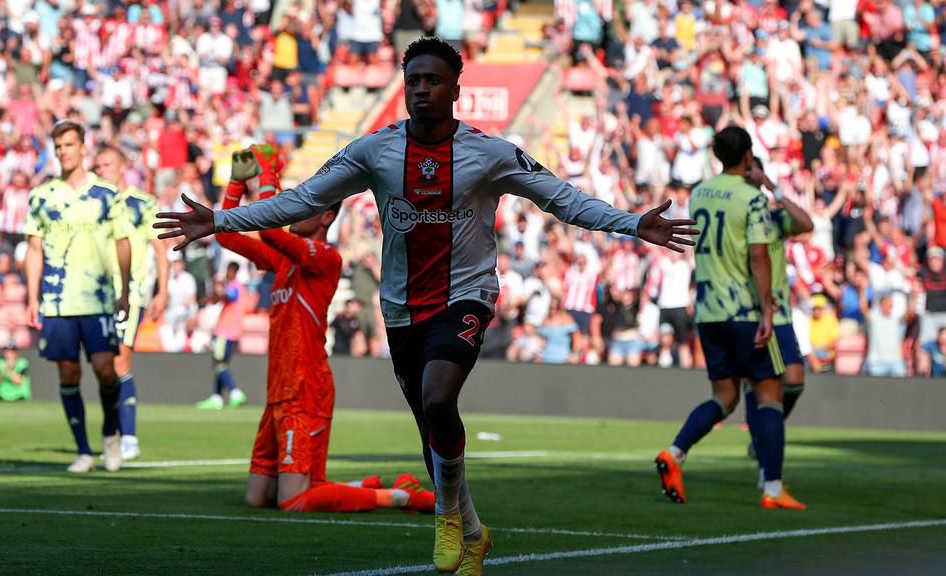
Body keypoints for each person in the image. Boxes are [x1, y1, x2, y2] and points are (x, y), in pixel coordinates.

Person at [156, 38, 697, 575]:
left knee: (440, 398)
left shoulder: (491, 153)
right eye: (413, 80)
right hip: (401, 310)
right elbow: (304, 199)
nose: (421, 89)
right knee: (430, 433)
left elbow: (562, 199)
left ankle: (443, 513)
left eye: (432, 80)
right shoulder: (376, 150)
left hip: (466, 297)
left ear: (456, 90)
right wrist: (221, 219)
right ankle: (474, 534)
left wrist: (632, 223)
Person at [219, 149, 435, 515]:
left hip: (306, 390)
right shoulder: (286, 260)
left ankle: (399, 497)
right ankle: (361, 487)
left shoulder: (325, 258)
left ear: (326, 216)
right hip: (279, 391)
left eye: (302, 208)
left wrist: (269, 173)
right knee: (258, 498)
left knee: (293, 501)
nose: (293, 213)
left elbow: (269, 229)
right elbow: (227, 236)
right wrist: (238, 182)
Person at [655, 126, 806, 510]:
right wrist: (767, 310)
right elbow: (757, 255)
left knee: (723, 396)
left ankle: (676, 452)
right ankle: (772, 488)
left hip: (709, 309)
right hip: (744, 310)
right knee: (769, 393)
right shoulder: (753, 198)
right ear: (748, 155)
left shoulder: (701, 193)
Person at [24, 120, 133, 474]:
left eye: (69, 145)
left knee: (105, 371)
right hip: (57, 301)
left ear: (83, 147)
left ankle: (111, 432)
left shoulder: (106, 194)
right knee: (68, 373)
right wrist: (30, 298)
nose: (63, 152)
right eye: (58, 146)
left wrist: (126, 291)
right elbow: (34, 250)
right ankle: (84, 451)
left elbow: (122, 242)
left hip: (98, 298)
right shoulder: (41, 197)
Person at [93, 145, 170, 461]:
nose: (101, 170)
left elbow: (160, 248)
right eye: (97, 165)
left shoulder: (142, 203)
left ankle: (127, 436)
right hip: (96, 293)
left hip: (131, 291)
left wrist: (162, 291)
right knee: (103, 366)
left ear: (123, 167)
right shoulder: (93, 202)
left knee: (120, 362)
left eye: (107, 164)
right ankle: (115, 432)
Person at [742, 158, 814, 485]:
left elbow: (807, 224)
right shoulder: (736, 214)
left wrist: (774, 188)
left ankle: (766, 435)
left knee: (795, 379)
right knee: (756, 386)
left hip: (780, 312)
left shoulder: (773, 216)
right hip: (747, 311)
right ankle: (763, 457)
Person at [197, 261, 249, 409]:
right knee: (221, 364)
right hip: (233, 332)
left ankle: (235, 392)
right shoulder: (239, 288)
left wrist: (218, 289)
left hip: (225, 331)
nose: (226, 272)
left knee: (218, 362)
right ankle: (217, 398)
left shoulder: (235, 286)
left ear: (233, 270)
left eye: (228, 270)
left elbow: (230, 295)